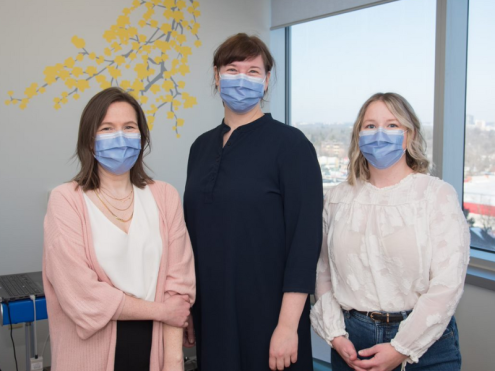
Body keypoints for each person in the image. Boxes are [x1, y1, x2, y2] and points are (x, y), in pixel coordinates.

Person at [183, 33, 323, 371]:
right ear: (216, 77)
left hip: (270, 320)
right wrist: (187, 306)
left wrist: (288, 326)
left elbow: (305, 244)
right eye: (232, 69)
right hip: (213, 315)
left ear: (266, 80)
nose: (241, 79)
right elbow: (190, 237)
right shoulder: (200, 148)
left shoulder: (291, 146)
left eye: (252, 71)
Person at [310, 92, 470, 371]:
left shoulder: (436, 195)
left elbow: (448, 283)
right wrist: (335, 334)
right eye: (370, 125)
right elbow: (323, 273)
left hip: (425, 345)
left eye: (392, 125)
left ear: (409, 135)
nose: (380, 133)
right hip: (352, 343)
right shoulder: (336, 198)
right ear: (358, 136)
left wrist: (401, 347)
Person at [42, 87, 195, 371]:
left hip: (156, 349)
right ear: (90, 140)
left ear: (142, 136)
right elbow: (81, 295)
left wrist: (174, 359)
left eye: (129, 127)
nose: (120, 137)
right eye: (107, 129)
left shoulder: (164, 196)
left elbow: (180, 283)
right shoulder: (65, 200)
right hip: (90, 353)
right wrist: (161, 311)